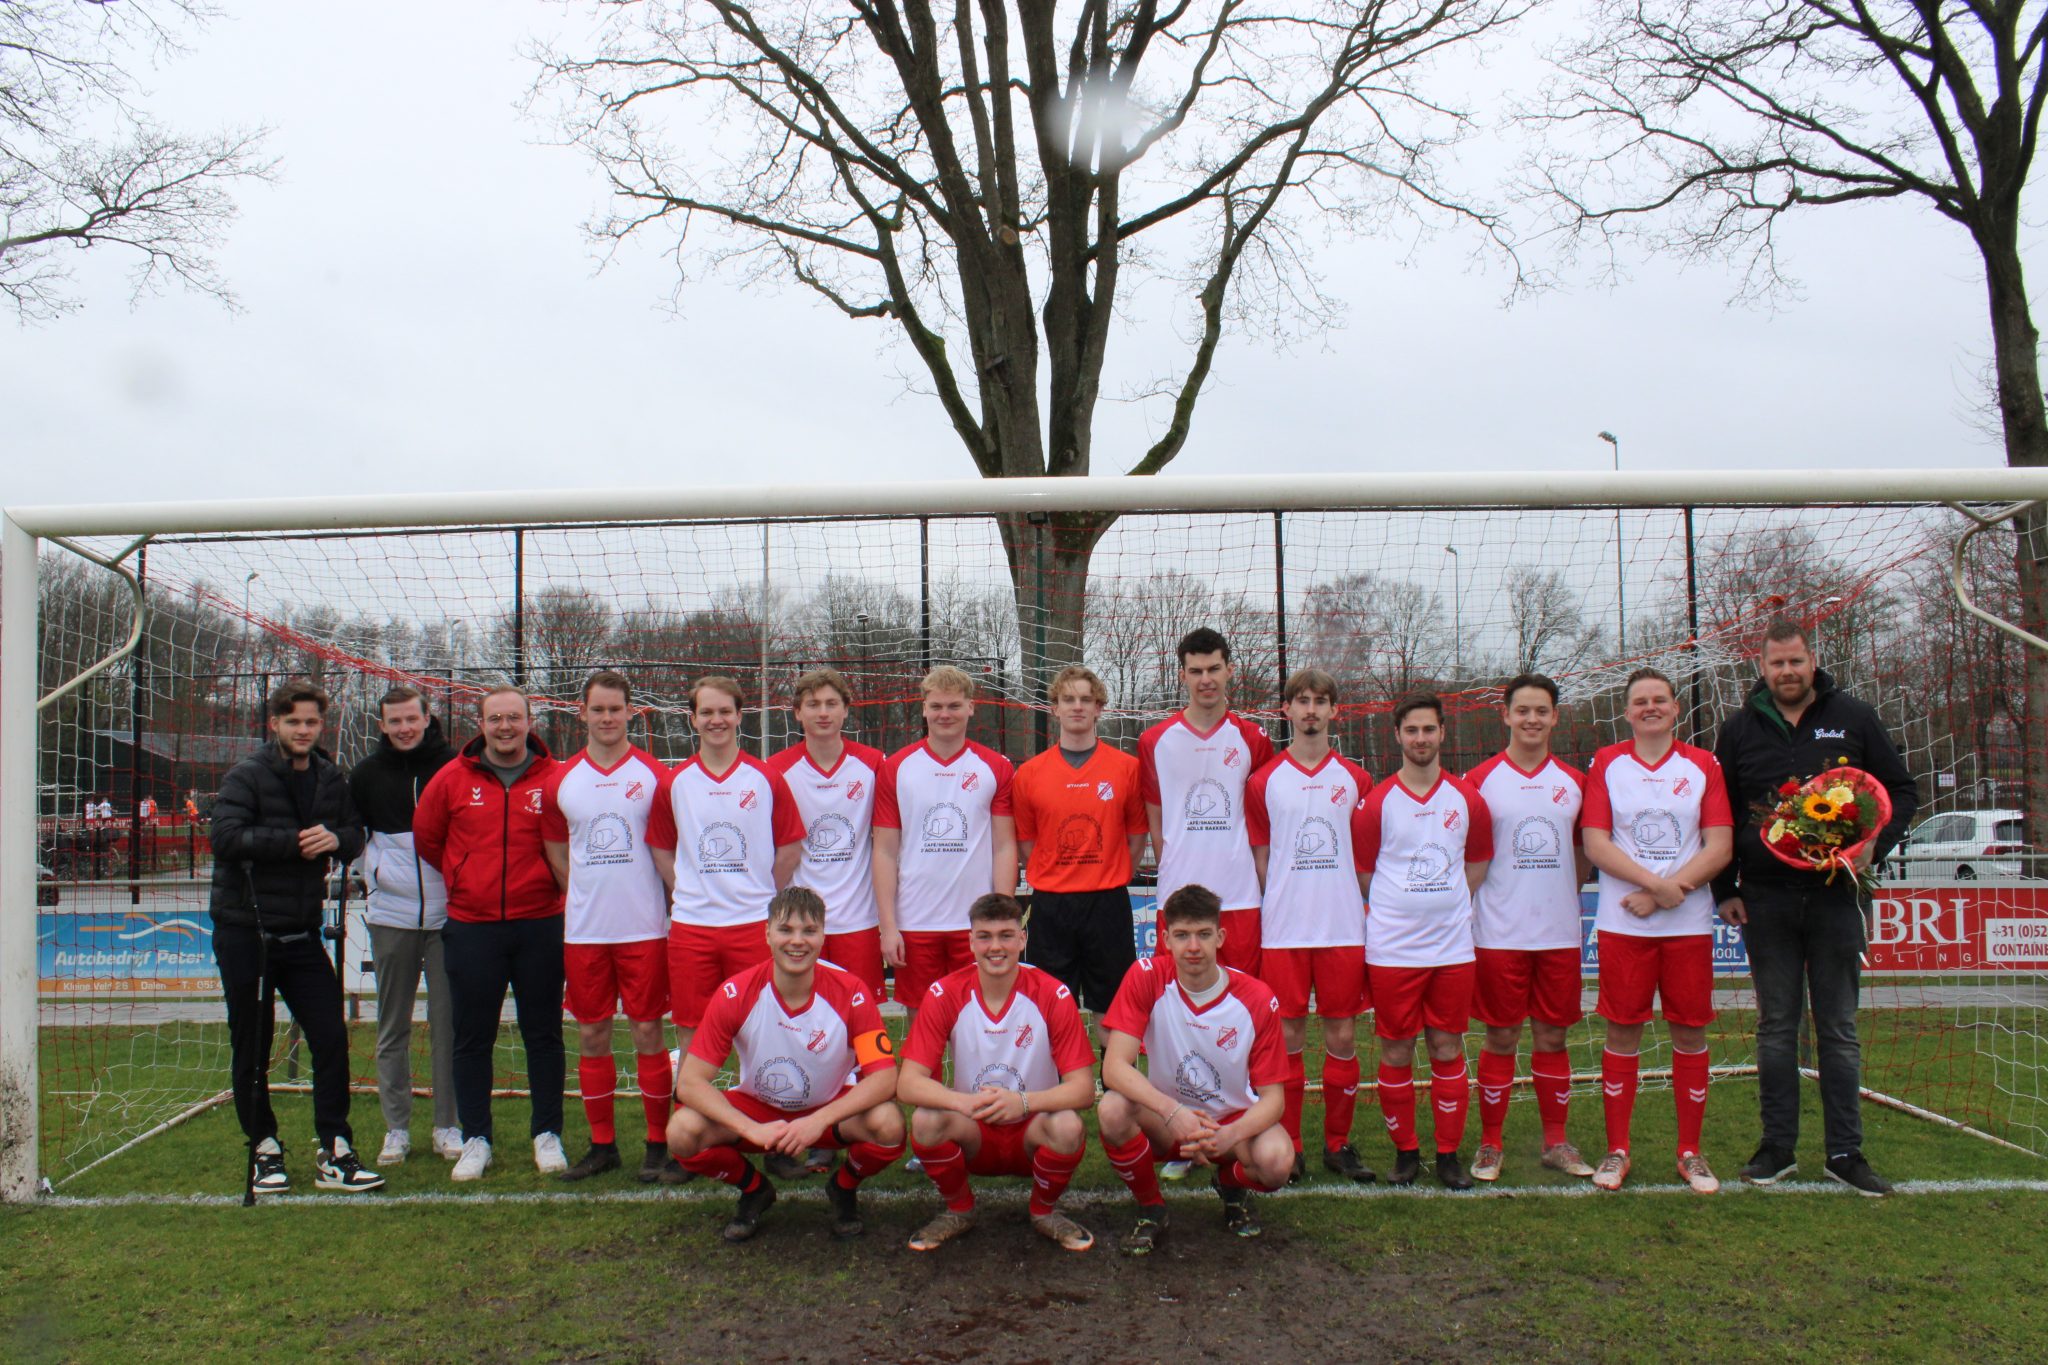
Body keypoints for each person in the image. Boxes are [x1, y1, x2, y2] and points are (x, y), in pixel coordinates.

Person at [1713, 619, 1916, 1196]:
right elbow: (1721, 812)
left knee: (1838, 1029)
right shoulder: (1739, 729)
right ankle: (1776, 1149)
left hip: (1837, 897)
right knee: (1776, 1027)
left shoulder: (1854, 716)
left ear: (1812, 661)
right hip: (1766, 899)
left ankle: (1845, 1153)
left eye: (1795, 661)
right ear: (1762, 668)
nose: (1787, 672)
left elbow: (1901, 790)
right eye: (1777, 663)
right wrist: (1724, 889)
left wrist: (1876, 843)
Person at [209, 680, 381, 1194]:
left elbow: (354, 833)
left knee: (330, 1037)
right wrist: (294, 843)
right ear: (275, 724)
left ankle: (335, 1148)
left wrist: (336, 839)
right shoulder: (247, 774)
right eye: (293, 722)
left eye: (311, 722)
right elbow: (224, 837)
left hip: (302, 933)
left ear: (320, 725)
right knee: (252, 1044)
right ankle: (264, 1148)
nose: (303, 730)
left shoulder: (330, 777)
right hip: (246, 931)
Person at [668, 887, 905, 1242]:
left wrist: (817, 1122)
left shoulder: (852, 991)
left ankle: (842, 1187)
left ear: (823, 935)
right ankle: (754, 1190)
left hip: (827, 1109)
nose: (797, 941)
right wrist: (752, 1130)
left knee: (889, 1124)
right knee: (682, 1131)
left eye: (809, 931)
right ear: (767, 933)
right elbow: (690, 1083)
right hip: (759, 1110)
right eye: (786, 930)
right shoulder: (736, 992)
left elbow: (884, 1077)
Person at [1581, 667, 1733, 1194]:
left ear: (1675, 708)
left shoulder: (1703, 765)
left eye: (1660, 700)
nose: (1650, 707)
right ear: (1627, 712)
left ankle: (1690, 1152)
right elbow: (1596, 843)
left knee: (1689, 1032)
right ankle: (1617, 1150)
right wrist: (1653, 886)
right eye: (1640, 701)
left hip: (1687, 925)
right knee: (1622, 1031)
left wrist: (1671, 892)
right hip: (1624, 923)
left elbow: (1719, 845)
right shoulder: (1607, 762)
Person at [413, 685, 567, 1182]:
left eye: (514, 718)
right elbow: (429, 839)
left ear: (529, 722)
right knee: (472, 1037)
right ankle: (476, 1138)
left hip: (540, 922)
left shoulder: (556, 778)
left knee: (543, 1033)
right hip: (473, 926)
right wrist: (465, 877)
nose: (505, 727)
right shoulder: (451, 779)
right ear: (480, 724)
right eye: (495, 718)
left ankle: (548, 1134)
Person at [541, 670, 685, 1184]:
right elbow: (557, 852)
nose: (607, 718)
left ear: (630, 713)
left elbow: (668, 848)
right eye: (598, 709)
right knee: (592, 1032)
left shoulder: (655, 775)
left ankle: (657, 1143)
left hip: (644, 928)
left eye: (615, 709)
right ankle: (603, 1145)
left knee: (647, 1030)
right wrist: (585, 895)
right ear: (582, 712)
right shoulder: (561, 780)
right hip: (585, 933)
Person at [898, 892, 1099, 1253]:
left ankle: (1044, 1212)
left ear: (1022, 939)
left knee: (1068, 1125)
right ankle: (959, 1210)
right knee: (926, 1120)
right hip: (974, 1129)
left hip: (1032, 1132)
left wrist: (1023, 1102)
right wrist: (963, 1103)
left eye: (1006, 935)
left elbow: (1083, 1089)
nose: (995, 947)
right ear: (970, 941)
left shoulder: (1052, 993)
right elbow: (908, 1084)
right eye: (985, 936)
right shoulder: (945, 993)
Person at [1098, 883, 1291, 1252]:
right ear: (1165, 939)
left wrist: (1229, 1137)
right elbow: (1114, 1068)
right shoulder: (1146, 977)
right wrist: (1173, 1112)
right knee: (1112, 1109)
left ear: (1220, 937)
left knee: (1277, 1161)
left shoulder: (1256, 998)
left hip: (1229, 1123)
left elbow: (1274, 1100)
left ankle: (1230, 1184)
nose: (1193, 947)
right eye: (1182, 935)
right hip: (1167, 1120)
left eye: (1203, 934)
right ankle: (1151, 1208)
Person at [1354, 692, 1492, 1190]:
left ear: (1442, 733)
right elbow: (1365, 874)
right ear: (1397, 735)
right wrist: (1406, 906)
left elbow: (1477, 863)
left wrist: (1445, 903)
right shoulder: (1376, 803)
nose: (1420, 738)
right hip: (1393, 950)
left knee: (1447, 1045)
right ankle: (1406, 1152)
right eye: (1411, 730)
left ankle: (1449, 1155)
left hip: (1452, 948)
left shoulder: (1467, 798)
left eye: (1428, 729)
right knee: (1396, 1050)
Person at [1244, 668, 1375, 1183]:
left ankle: (1338, 1145)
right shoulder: (1264, 781)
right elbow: (1262, 859)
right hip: (1285, 930)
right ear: (1287, 710)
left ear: (1334, 710)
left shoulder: (1357, 780)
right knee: (1288, 1037)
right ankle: (1293, 1144)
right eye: (1302, 701)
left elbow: (1363, 858)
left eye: (1321, 701)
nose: (1312, 710)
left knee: (1341, 1035)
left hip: (1343, 928)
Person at [1465, 673, 1594, 1182]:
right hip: (1499, 934)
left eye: (1542, 711)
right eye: (1523, 710)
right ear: (1506, 715)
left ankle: (1555, 1142)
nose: (1532, 719)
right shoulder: (1480, 781)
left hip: (1558, 934)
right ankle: (1491, 1144)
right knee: (1500, 1037)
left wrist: (1556, 895)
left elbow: (1583, 856)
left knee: (1553, 1037)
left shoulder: (1575, 782)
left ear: (1555, 717)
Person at [647, 675, 805, 1058]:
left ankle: (758, 1100)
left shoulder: (766, 778)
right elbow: (661, 850)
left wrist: (760, 892)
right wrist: (690, 889)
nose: (715, 720)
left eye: (724, 711)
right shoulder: (674, 782)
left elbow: (790, 848)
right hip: (692, 927)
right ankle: (693, 1100)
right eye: (706, 712)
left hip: (753, 925)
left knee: (762, 1032)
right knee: (692, 1033)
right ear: (693, 719)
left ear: (738, 716)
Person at [349, 683, 461, 1167]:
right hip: (391, 918)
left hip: (449, 917)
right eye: (394, 721)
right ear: (382, 725)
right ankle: (396, 1128)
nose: (404, 728)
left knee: (448, 1026)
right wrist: (370, 875)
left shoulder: (454, 767)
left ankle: (447, 1125)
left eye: (411, 718)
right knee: (391, 1026)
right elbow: (351, 835)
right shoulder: (365, 775)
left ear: (427, 717)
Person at [873, 665, 1018, 1027]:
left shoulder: (995, 767)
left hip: (975, 923)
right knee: (923, 1027)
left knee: (980, 1024)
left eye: (954, 706)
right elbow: (885, 851)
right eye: (936, 706)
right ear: (924, 709)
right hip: (915, 920)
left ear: (971, 707)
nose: (945, 714)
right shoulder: (897, 767)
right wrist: (889, 926)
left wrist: (1001, 918)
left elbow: (1004, 846)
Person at [1009, 665, 1146, 1033]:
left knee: (1113, 1011)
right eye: (1068, 699)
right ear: (1055, 708)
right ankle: (1060, 1074)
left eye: (1086, 699)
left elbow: (1136, 839)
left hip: (1107, 904)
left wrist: (1108, 874)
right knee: (1052, 1015)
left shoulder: (1127, 769)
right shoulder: (1030, 774)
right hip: (1052, 906)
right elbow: (1026, 843)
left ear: (1099, 708)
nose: (1077, 706)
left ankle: (1114, 1072)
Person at [1139, 627, 1274, 977]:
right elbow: (1156, 816)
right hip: (1178, 895)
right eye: (1196, 671)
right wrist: (1173, 864)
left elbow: (1262, 820)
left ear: (1229, 670)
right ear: (1182, 675)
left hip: (1239, 896)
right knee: (1176, 996)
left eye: (1214, 669)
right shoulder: (1155, 741)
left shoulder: (1253, 739)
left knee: (1243, 995)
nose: (1206, 680)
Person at [769, 669, 887, 995]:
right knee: (796, 1011)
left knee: (858, 1013)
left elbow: (888, 842)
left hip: (858, 919)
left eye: (831, 704)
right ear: (797, 712)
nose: (823, 713)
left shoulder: (874, 764)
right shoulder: (775, 770)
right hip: (798, 921)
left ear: (845, 710)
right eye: (813, 704)